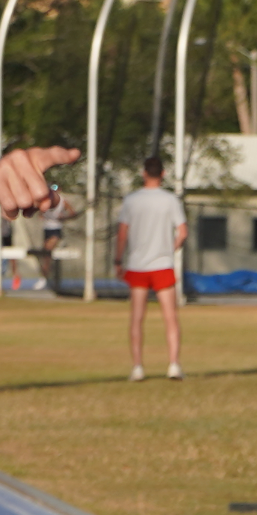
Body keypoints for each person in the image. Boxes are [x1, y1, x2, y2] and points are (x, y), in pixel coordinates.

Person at [115, 156, 188, 381]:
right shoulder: (170, 200)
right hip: (162, 265)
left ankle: (137, 367)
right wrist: (170, 248)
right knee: (170, 317)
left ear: (144, 173)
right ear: (163, 174)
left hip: (137, 265)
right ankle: (173, 364)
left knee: (137, 318)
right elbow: (182, 232)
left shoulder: (132, 200)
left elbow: (123, 233)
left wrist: (118, 260)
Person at [38, 194, 78, 291]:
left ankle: (45, 278)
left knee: (48, 250)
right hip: (47, 229)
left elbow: (73, 213)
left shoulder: (63, 201)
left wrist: (63, 217)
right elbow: (40, 214)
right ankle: (46, 277)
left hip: (56, 230)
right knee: (46, 255)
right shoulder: (44, 201)